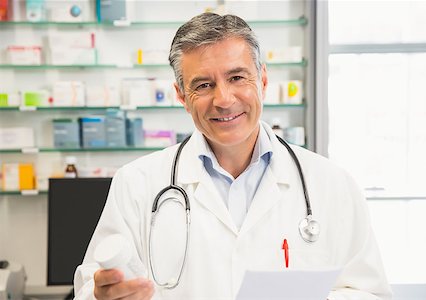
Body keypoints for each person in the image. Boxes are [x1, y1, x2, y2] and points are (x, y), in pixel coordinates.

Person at [74, 13, 392, 300]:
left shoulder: (331, 184)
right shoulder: (137, 184)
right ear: (182, 96)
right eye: (204, 85)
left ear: (263, 80)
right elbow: (91, 288)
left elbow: (370, 292)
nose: (224, 99)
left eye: (237, 77)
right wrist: (104, 295)